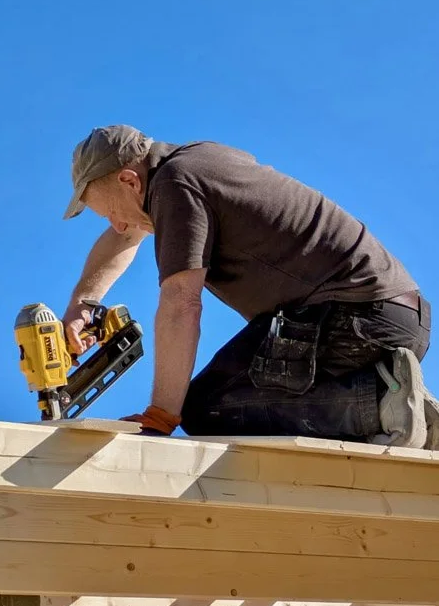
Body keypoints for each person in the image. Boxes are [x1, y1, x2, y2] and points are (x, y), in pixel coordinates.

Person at [62, 124, 435, 445]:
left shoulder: (176, 184)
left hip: (355, 318)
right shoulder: (190, 164)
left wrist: (160, 418)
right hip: (388, 315)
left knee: (210, 409)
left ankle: (380, 406)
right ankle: (401, 410)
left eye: (111, 212)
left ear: (129, 180)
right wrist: (83, 301)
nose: (117, 225)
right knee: (229, 402)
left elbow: (181, 303)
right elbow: (126, 238)